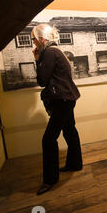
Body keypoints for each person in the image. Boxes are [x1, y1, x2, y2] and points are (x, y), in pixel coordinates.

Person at [32, 23, 83, 195]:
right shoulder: (56, 50)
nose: (33, 43)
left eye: (34, 39)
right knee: (69, 130)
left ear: (41, 39)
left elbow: (42, 80)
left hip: (62, 100)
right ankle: (75, 163)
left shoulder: (49, 53)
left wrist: (37, 59)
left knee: (48, 140)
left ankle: (50, 180)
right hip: (67, 98)